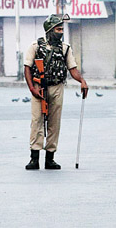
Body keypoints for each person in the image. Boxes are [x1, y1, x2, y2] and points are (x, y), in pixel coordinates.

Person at [23, 14, 88, 170]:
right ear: (50, 30)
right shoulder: (35, 46)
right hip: (39, 88)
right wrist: (32, 88)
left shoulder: (65, 48)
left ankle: (50, 157)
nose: (61, 32)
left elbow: (73, 69)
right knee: (37, 121)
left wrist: (82, 81)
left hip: (57, 87)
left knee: (54, 122)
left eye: (61, 29)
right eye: (58, 29)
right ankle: (34, 157)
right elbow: (27, 68)